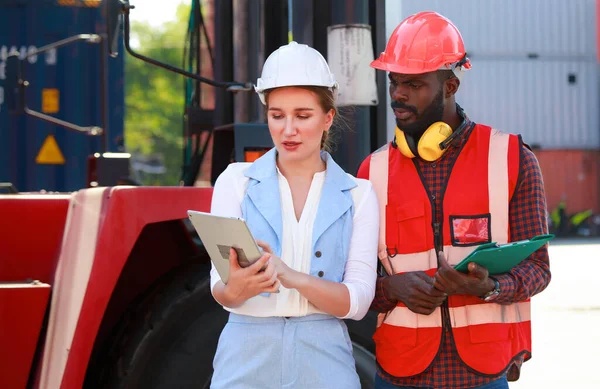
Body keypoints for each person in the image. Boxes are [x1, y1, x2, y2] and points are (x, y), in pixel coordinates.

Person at [357, 11, 551, 389]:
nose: (398, 94)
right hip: (399, 372)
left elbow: (538, 269)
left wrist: (489, 287)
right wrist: (391, 290)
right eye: (394, 81)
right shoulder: (371, 172)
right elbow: (352, 281)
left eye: (413, 83)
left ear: (450, 85)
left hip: (482, 373)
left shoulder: (512, 160)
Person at [209, 41, 379, 389]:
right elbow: (220, 288)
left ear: (328, 117)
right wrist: (235, 288)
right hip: (244, 355)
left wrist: (291, 276)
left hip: (325, 358)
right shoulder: (235, 182)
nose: (288, 130)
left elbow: (358, 301)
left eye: (303, 115)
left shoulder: (358, 196)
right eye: (277, 115)